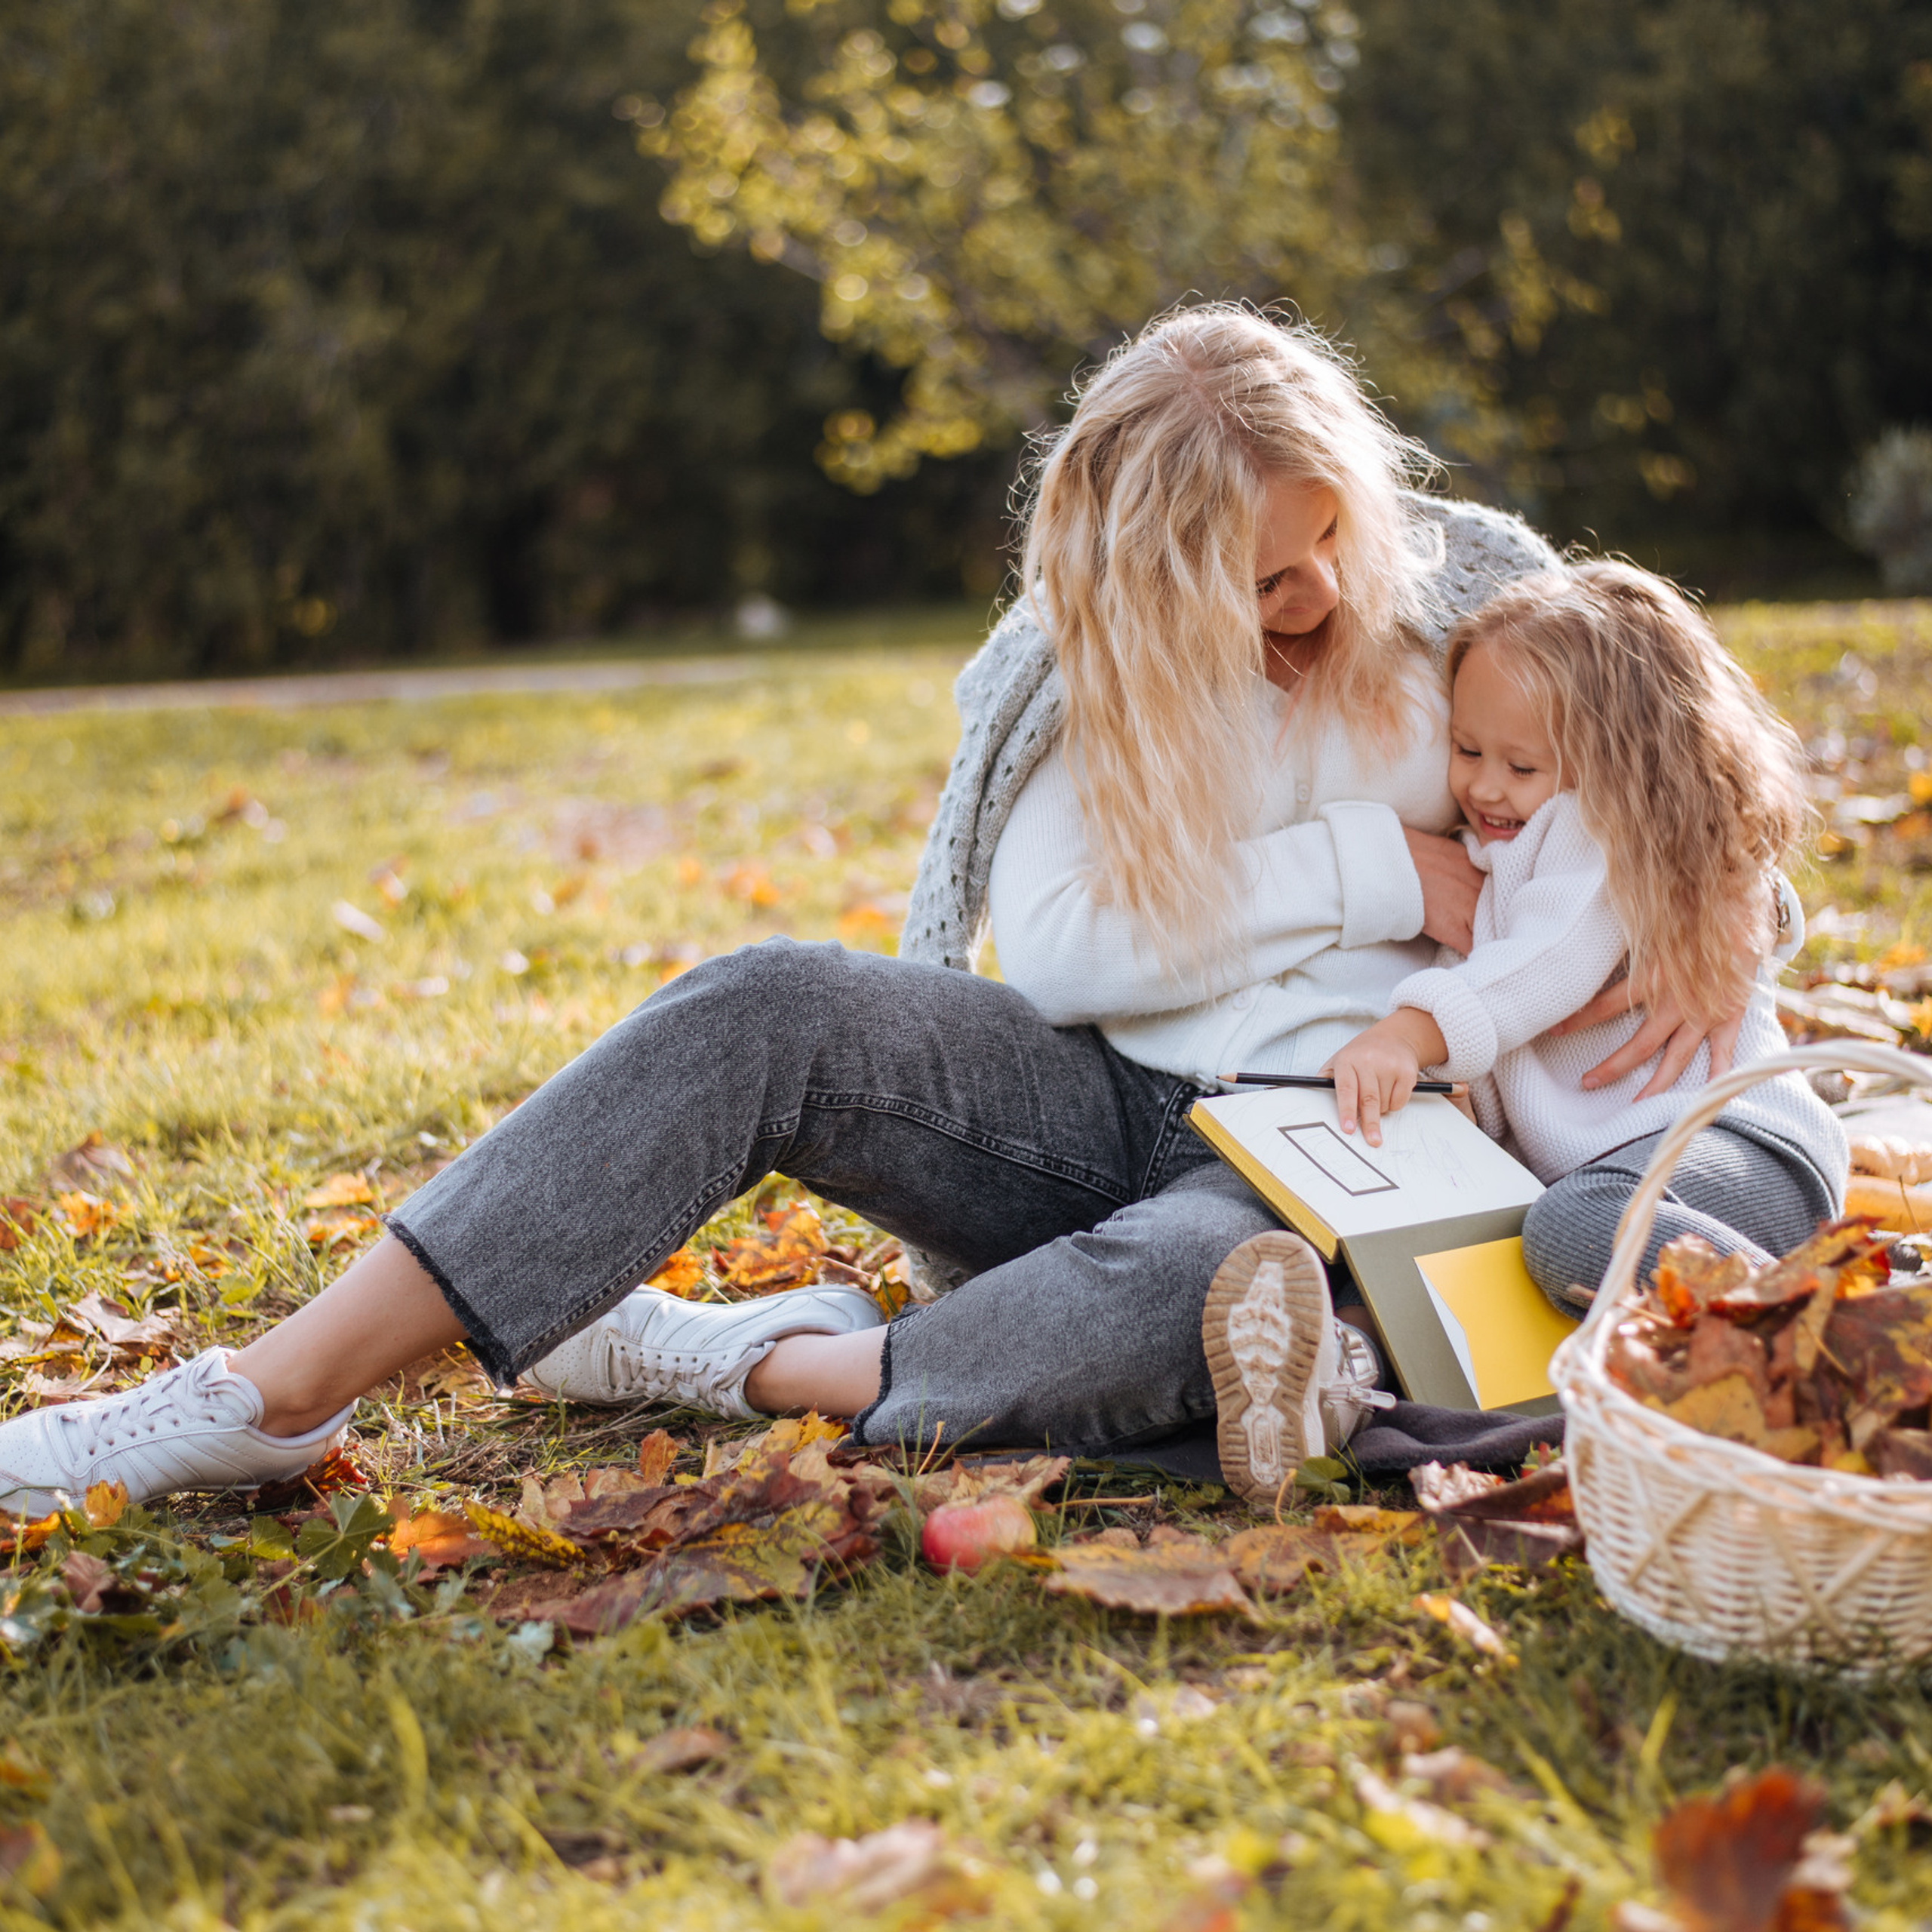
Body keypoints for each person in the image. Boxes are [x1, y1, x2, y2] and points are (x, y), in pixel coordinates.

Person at [0, 308, 1746, 1516]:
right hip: (1088, 1093)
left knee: (1223, 1291)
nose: (1298, 604)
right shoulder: (1085, 667)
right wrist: (1380, 869)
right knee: (773, 999)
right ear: (1147, 576)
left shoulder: (1477, 595)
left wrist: (1699, 936)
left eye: (1316, 551)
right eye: (1247, 583)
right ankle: (260, 1396)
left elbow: (1674, 783)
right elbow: (1062, 949)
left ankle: (734, 1359)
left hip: (1327, 1146)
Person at [1323, 561, 1847, 1312]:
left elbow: (1543, 967)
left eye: (1521, 764)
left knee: (1571, 1228)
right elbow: (1519, 1056)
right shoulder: (1500, 857)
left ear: (1613, 764)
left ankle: (1826, 1339)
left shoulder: (1596, 833)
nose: (1484, 787)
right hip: (1637, 1171)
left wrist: (1405, 1035)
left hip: (1742, 1146)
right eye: (1467, 751)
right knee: (1526, 1249)